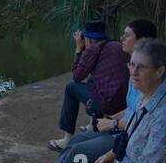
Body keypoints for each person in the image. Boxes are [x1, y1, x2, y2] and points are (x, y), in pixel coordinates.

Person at [8, 19, 161, 163]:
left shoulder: (146, 73)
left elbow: (144, 119)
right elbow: (135, 107)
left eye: (127, 34)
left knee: (78, 152)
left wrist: (113, 122)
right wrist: (116, 116)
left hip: (129, 139)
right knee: (78, 141)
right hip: (122, 127)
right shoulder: (134, 65)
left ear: (144, 40)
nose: (122, 38)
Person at [48, 19, 129, 151]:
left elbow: (77, 76)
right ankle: (92, 125)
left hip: (109, 105)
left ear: (89, 39)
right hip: (125, 105)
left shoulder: (92, 49)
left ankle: (67, 140)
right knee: (93, 79)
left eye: (84, 38)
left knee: (71, 88)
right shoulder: (117, 45)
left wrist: (79, 49)